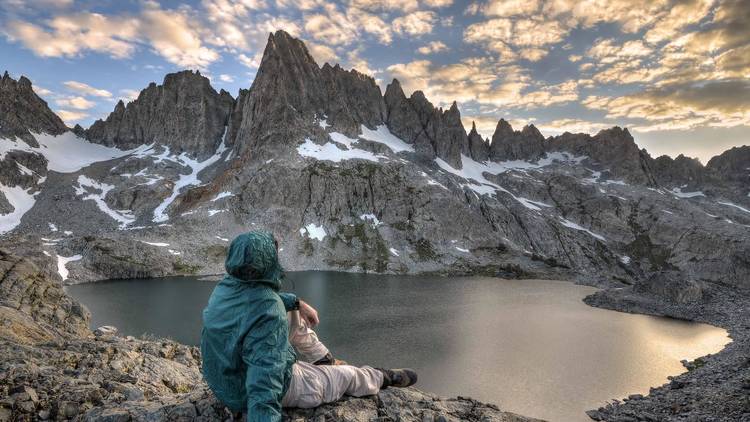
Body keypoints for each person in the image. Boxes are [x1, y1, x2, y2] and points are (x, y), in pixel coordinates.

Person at [201, 231, 417, 421]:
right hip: (250, 391)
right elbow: (264, 382)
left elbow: (255, 301)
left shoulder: (226, 286)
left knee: (292, 311)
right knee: (346, 376)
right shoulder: (269, 310)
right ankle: (381, 376)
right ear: (266, 264)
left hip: (226, 379)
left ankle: (323, 359)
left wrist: (297, 303)